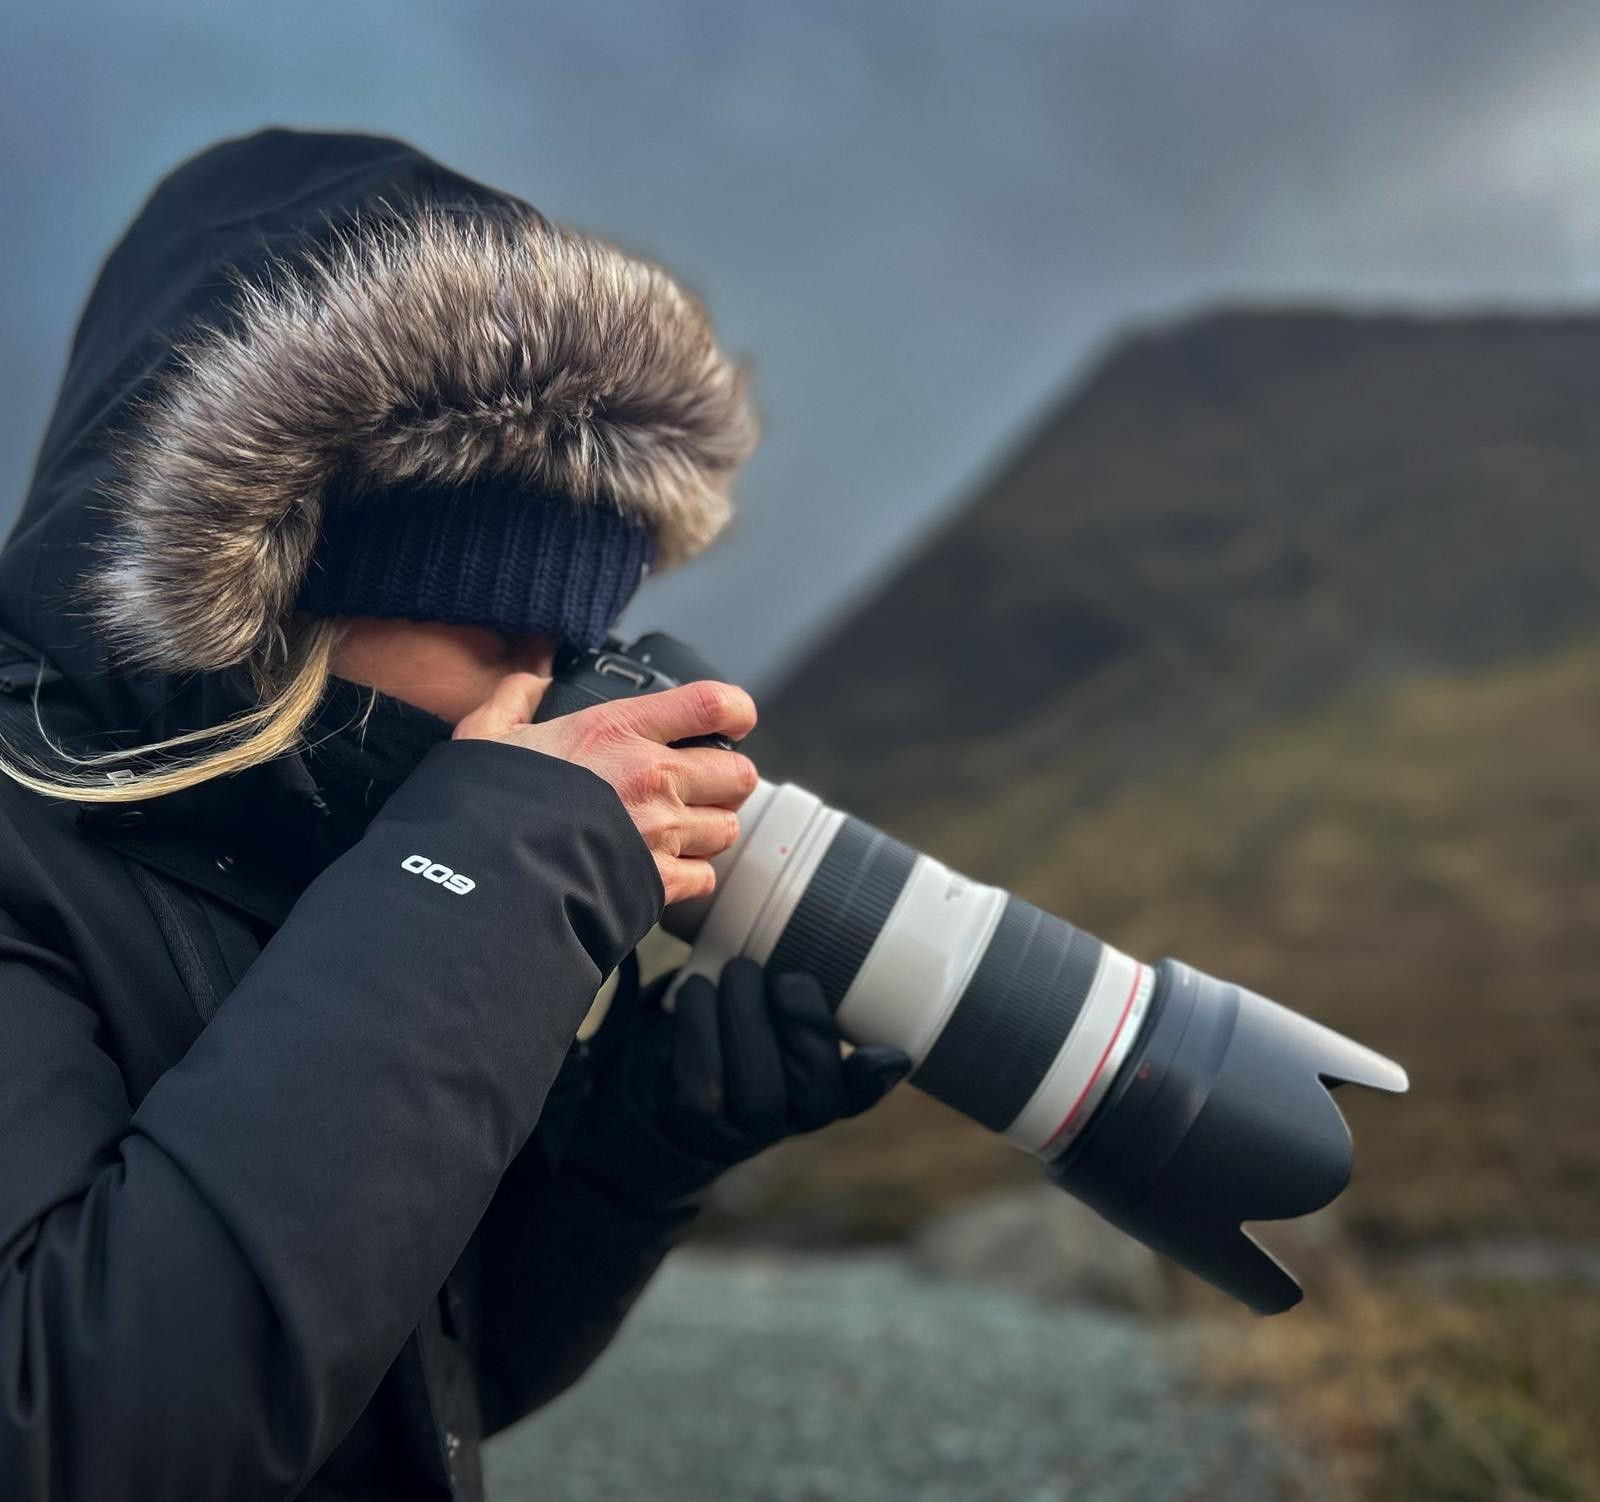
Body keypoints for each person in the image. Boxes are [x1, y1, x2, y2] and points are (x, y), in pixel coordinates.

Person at [0, 129, 912, 1501]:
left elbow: (372, 1397)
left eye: (575, 641)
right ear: (269, 589)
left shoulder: (328, 852)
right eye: (498, 628)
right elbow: (60, 1426)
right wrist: (492, 873)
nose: (541, 690)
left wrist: (628, 1156)